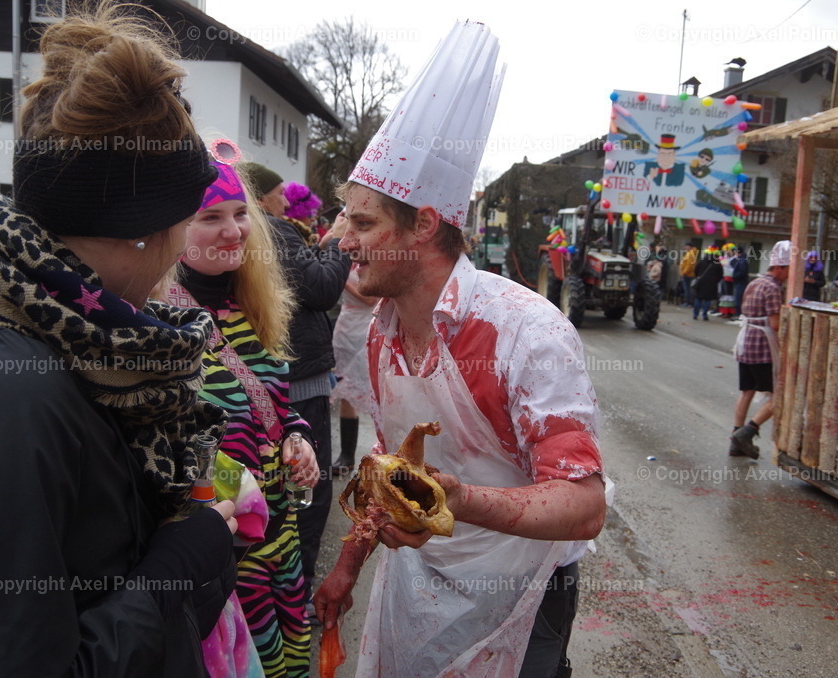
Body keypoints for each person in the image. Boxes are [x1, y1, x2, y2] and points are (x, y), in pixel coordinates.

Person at [0, 5, 238, 675]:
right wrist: (183, 567)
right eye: (186, 222)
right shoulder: (4, 401)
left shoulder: (71, 337)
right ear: (143, 229)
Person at [314, 21, 608, 678]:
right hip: (422, 579)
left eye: (363, 223)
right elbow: (395, 471)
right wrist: (347, 564)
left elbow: (583, 503)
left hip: (524, 594)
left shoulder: (524, 331)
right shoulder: (381, 333)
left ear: (422, 224)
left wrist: (457, 501)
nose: (343, 241)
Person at [172, 149, 320, 677]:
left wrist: (298, 439)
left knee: (294, 657)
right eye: (210, 217)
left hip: (281, 537)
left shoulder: (249, 304)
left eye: (239, 213)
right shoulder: (157, 321)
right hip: (227, 555)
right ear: (174, 228)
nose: (233, 230)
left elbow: (276, 407)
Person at [238, 162, 350, 613]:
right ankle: (297, 593)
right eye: (279, 193)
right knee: (308, 487)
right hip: (298, 382)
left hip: (274, 375)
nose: (286, 201)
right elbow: (321, 289)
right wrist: (339, 241)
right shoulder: (275, 232)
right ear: (262, 197)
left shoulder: (262, 233)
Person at [730, 240, 792, 459]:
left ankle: (736, 438)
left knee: (747, 390)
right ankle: (748, 431)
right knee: (778, 396)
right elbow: (775, 324)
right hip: (761, 348)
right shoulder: (773, 288)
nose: (788, 275)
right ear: (779, 267)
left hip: (746, 343)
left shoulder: (754, 283)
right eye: (788, 269)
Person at [330, 228, 380, 475]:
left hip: (366, 326)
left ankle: (386, 457)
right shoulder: (345, 260)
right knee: (346, 389)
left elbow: (371, 298)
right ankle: (346, 457)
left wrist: (341, 280)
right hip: (345, 327)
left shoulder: (375, 258)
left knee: (377, 389)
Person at [692, 246, 722, 320]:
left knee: (698, 298)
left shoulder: (702, 261)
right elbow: (720, 274)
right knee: (707, 300)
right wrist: (715, 281)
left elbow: (695, 270)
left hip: (701, 282)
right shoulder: (717, 263)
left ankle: (695, 314)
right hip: (712, 283)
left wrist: (698, 277)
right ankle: (705, 315)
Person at [731, 246, 750, 318]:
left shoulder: (742, 261)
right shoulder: (741, 260)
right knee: (738, 297)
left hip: (740, 282)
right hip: (740, 281)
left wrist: (734, 276)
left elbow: (742, 272)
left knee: (738, 298)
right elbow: (732, 263)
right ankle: (738, 313)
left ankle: (738, 314)